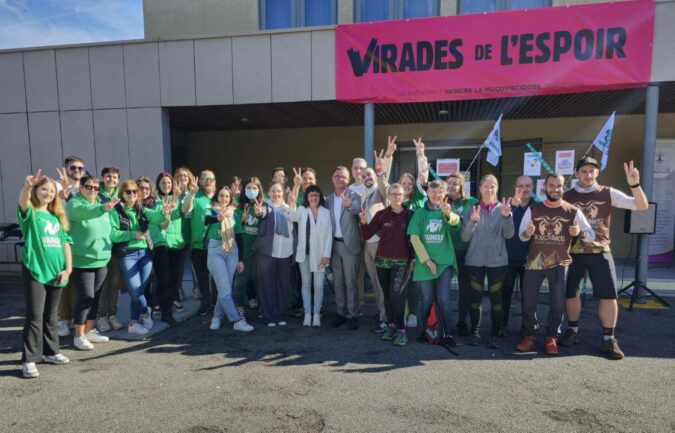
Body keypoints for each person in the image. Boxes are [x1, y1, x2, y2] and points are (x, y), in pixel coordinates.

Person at [560, 158, 648, 359]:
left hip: (601, 251)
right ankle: (572, 331)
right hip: (574, 252)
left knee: (609, 295)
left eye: (592, 171)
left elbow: (641, 206)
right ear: (576, 173)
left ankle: (609, 339)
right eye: (583, 171)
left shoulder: (607, 193)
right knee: (570, 293)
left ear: (597, 173)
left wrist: (634, 183)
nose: (588, 175)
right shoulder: (567, 196)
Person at [515, 173, 594, 355]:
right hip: (535, 262)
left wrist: (579, 232)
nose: (555, 189)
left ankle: (552, 337)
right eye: (551, 186)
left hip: (560, 262)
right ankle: (530, 336)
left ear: (562, 187)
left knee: (557, 303)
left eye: (558, 186)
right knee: (529, 302)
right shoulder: (534, 209)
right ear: (545, 187)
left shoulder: (572, 211)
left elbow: (591, 235)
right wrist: (528, 232)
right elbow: (521, 235)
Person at [18, 170, 73, 378]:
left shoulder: (58, 216)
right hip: (35, 270)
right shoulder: (31, 213)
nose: (48, 193)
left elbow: (67, 243)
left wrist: (68, 269)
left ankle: (51, 352)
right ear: (36, 191)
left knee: (51, 315)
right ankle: (29, 360)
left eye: (51, 191)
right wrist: (26, 187)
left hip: (57, 272)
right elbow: (23, 202)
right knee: (34, 315)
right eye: (43, 189)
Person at [110, 179, 174, 335]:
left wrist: (165, 212)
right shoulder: (115, 211)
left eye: (134, 191)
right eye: (128, 192)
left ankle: (133, 323)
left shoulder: (142, 209)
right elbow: (113, 234)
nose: (132, 194)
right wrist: (132, 234)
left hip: (145, 254)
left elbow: (158, 218)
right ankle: (146, 312)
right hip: (127, 254)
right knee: (135, 292)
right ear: (122, 194)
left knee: (140, 289)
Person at [460, 174, 515, 349]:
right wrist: (472, 222)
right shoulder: (472, 208)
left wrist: (507, 218)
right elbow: (464, 236)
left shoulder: (503, 209)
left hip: (497, 262)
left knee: (496, 299)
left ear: (497, 189)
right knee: (475, 298)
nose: (489, 189)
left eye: (493, 186)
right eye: (486, 186)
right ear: (480, 188)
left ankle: (494, 335)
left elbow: (509, 235)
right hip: (474, 261)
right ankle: (475, 332)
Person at [407, 180, 461, 348]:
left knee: (444, 299)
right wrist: (427, 261)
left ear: (444, 193)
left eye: (440, 193)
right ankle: (425, 331)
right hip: (425, 264)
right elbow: (414, 238)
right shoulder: (419, 213)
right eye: (433, 192)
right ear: (428, 194)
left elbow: (455, 224)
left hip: (444, 263)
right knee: (426, 299)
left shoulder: (447, 211)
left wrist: (448, 214)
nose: (436, 195)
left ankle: (448, 333)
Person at [67, 174, 118, 350]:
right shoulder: (74, 204)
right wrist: (103, 209)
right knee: (86, 297)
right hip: (82, 261)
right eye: (89, 187)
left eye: (96, 188)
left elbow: (110, 231)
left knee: (95, 298)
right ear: (81, 187)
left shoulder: (100, 206)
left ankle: (89, 331)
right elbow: (83, 214)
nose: (93, 190)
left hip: (101, 260)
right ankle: (78, 335)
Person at [360, 182, 414, 346]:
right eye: (393, 194)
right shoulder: (382, 214)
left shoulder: (410, 215)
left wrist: (412, 260)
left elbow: (414, 240)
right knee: (388, 296)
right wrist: (363, 222)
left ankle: (401, 330)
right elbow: (368, 234)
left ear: (403, 196)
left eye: (399, 194)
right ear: (388, 196)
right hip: (382, 261)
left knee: (397, 295)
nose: (396, 197)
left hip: (401, 262)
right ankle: (391, 326)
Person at [358, 137, 396, 331]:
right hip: (367, 245)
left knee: (382, 284)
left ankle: (385, 318)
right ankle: (382, 314)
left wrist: (385, 161)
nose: (367, 178)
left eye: (370, 174)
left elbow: (383, 183)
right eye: (364, 176)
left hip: (379, 244)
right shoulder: (362, 195)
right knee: (374, 282)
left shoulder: (381, 193)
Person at [204, 186, 254, 332]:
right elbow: (206, 220)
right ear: (217, 198)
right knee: (226, 289)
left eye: (227, 196)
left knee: (224, 287)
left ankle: (216, 317)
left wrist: (241, 259)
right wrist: (217, 218)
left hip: (232, 250)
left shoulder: (235, 214)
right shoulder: (211, 209)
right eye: (221, 196)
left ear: (230, 199)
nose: (224, 199)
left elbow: (239, 236)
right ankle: (237, 320)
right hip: (215, 250)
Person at [289, 184, 332, 327]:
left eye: (316, 195)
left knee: (319, 285)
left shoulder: (326, 212)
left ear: (320, 197)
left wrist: (327, 255)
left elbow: (328, 236)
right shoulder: (302, 210)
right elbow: (292, 216)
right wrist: (292, 202)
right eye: (311, 195)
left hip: (320, 255)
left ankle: (317, 314)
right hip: (304, 254)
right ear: (306, 197)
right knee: (306, 284)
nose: (314, 197)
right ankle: (307, 314)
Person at [325, 166, 362, 330]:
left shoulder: (355, 195)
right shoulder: (328, 200)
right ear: (332, 179)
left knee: (350, 282)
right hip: (334, 245)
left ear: (348, 180)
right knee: (338, 282)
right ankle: (341, 313)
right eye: (337, 176)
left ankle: (352, 314)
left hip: (350, 246)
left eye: (343, 177)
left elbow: (357, 211)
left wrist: (349, 206)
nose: (340, 179)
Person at [254, 182, 295, 327]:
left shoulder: (288, 208)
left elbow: (295, 219)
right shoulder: (266, 207)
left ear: (283, 193)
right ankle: (268, 316)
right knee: (267, 285)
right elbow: (261, 213)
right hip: (267, 253)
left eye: (278, 191)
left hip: (285, 253)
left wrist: (294, 193)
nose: (276, 194)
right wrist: (258, 211)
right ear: (269, 193)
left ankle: (279, 314)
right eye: (273, 191)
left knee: (283, 285)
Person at [501, 175, 537, 337]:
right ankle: (501, 325)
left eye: (528, 185)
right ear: (515, 187)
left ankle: (527, 328)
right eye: (520, 185)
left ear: (533, 188)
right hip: (507, 259)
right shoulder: (507, 206)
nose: (524, 188)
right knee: (504, 295)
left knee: (528, 298)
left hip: (529, 261)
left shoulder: (538, 207)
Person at [55, 155, 86, 336]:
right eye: (72, 167)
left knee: (76, 284)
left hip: (79, 243)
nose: (76, 171)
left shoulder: (85, 189)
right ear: (66, 169)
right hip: (62, 241)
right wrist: (62, 197)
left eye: (79, 168)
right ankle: (61, 320)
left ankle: (74, 318)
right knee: (62, 281)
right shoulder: (57, 187)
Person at [446, 172, 478, 337]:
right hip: (445, 251)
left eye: (455, 184)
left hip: (465, 251)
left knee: (465, 289)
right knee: (442, 290)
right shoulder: (442, 201)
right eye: (448, 183)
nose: (451, 186)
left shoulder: (471, 202)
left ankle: (462, 322)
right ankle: (440, 321)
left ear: (461, 186)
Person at [149, 173, 184, 326]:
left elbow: (182, 213)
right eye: (163, 183)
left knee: (173, 279)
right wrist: (166, 213)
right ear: (158, 185)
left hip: (176, 244)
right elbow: (161, 224)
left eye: (169, 183)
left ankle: (167, 310)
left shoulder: (176, 199)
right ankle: (162, 309)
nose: (166, 185)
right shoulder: (155, 202)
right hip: (160, 244)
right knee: (163, 279)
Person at [182, 170, 217, 315]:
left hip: (216, 244)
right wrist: (191, 194)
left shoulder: (220, 196)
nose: (208, 181)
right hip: (198, 245)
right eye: (204, 178)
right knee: (202, 277)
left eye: (211, 178)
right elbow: (185, 209)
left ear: (215, 181)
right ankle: (206, 303)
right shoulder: (196, 196)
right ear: (200, 181)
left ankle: (217, 303)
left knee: (216, 276)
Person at [97, 166, 125, 332]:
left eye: (115, 177)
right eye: (108, 177)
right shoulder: (96, 194)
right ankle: (101, 317)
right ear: (102, 178)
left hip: (116, 245)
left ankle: (112, 314)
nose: (111, 180)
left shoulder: (120, 196)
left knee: (114, 282)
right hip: (100, 245)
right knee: (102, 284)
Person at [234, 177, 264, 312]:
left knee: (259, 280)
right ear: (243, 190)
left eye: (255, 188)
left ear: (259, 190)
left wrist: (261, 214)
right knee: (241, 280)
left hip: (259, 250)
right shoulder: (239, 207)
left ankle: (262, 306)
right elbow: (234, 229)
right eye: (248, 188)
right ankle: (239, 306)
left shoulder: (263, 206)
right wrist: (242, 220)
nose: (252, 191)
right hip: (243, 250)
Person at [174, 166, 196, 304]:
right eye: (180, 176)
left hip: (192, 232)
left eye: (185, 176)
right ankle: (178, 289)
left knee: (195, 263)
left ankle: (196, 288)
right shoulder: (173, 194)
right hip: (179, 233)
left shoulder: (193, 193)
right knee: (179, 265)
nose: (183, 178)